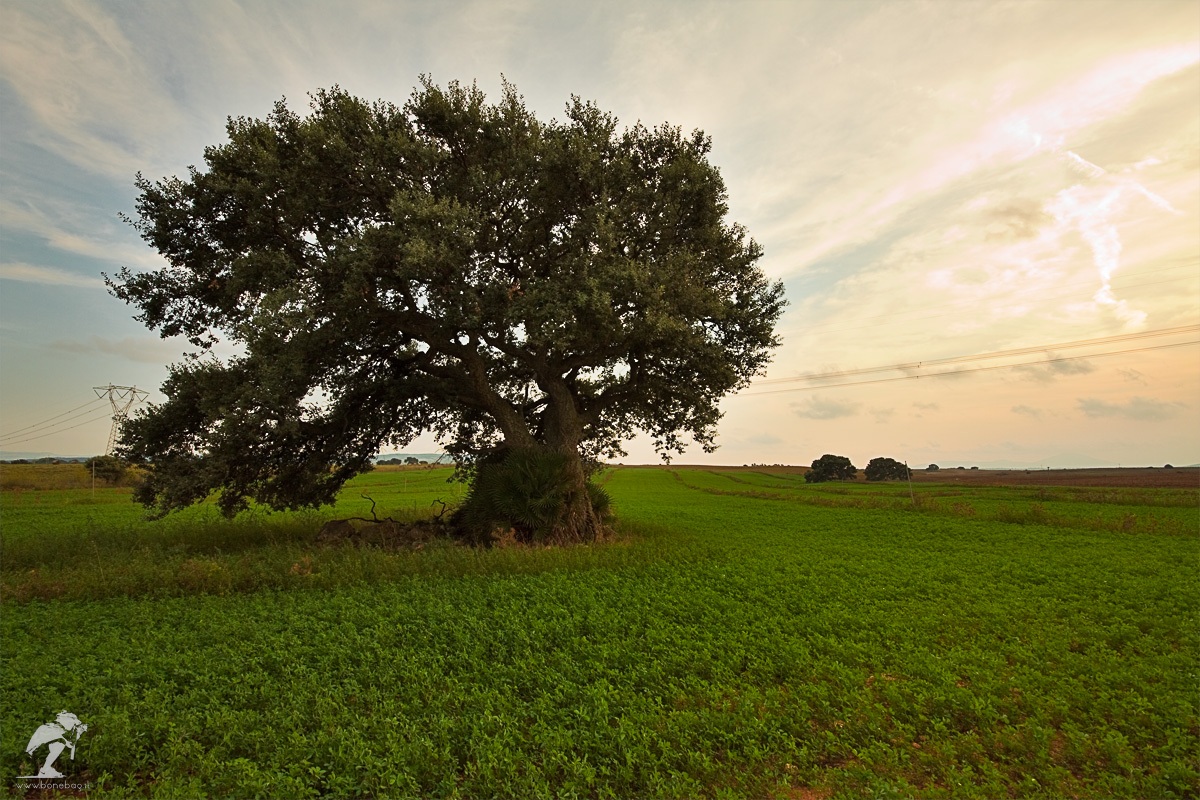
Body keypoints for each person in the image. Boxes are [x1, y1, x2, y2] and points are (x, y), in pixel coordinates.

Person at [25, 711, 87, 778]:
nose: (81, 730)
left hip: (49, 742)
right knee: (59, 746)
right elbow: (70, 744)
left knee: (58, 747)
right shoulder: (59, 729)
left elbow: (71, 745)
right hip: (45, 741)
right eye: (82, 728)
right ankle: (44, 769)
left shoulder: (72, 731)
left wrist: (72, 758)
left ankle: (45, 769)